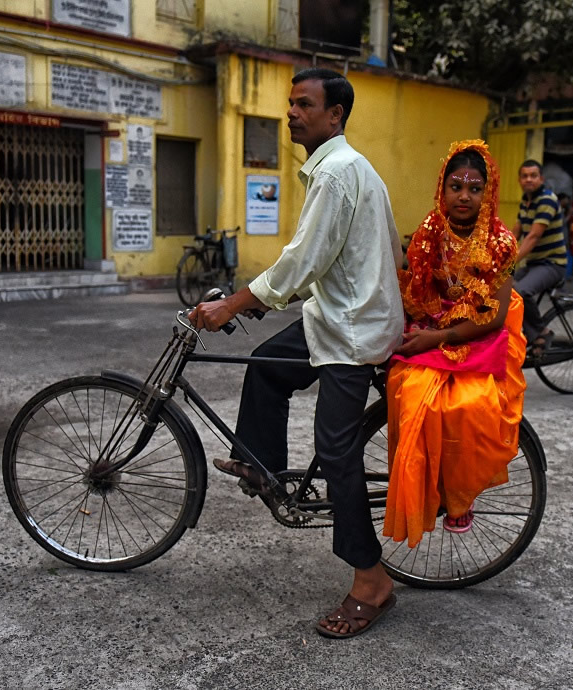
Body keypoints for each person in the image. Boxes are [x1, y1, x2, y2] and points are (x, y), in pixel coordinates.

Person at [188, 68, 404, 639]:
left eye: (304, 105)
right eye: (290, 104)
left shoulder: (335, 173)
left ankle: (371, 581)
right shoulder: (343, 169)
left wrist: (235, 303)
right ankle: (260, 465)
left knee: (336, 456)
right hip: (335, 316)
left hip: (352, 333)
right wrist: (261, 302)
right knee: (265, 366)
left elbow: (303, 258)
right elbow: (329, 261)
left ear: (335, 115)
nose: (291, 113)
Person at [383, 140, 528, 547]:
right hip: (433, 323)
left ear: (489, 193)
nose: (464, 196)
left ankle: (458, 497)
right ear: (442, 189)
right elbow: (416, 289)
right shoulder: (430, 231)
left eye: (475, 188)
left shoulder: (501, 243)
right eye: (456, 186)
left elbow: (495, 317)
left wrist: (439, 336)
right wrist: (418, 329)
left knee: (469, 406)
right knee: (405, 389)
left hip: (483, 333)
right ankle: (421, 494)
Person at [511, 160, 568, 355]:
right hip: (535, 263)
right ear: (519, 180)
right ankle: (516, 335)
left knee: (521, 291)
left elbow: (533, 237)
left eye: (533, 175)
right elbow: (516, 232)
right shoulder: (526, 201)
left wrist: (509, 262)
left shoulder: (547, 200)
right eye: (524, 176)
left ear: (541, 179)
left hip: (552, 263)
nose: (529, 179)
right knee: (502, 287)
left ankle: (542, 332)